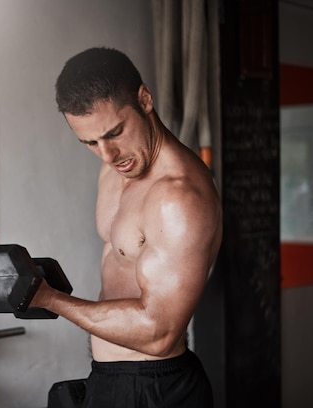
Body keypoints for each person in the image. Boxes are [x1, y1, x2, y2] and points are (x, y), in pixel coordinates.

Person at [29, 47, 223, 407]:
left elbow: (159, 333)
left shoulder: (179, 197)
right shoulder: (115, 164)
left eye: (115, 132)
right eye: (89, 142)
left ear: (145, 99)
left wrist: (51, 300)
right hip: (110, 378)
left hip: (155, 388)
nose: (107, 155)